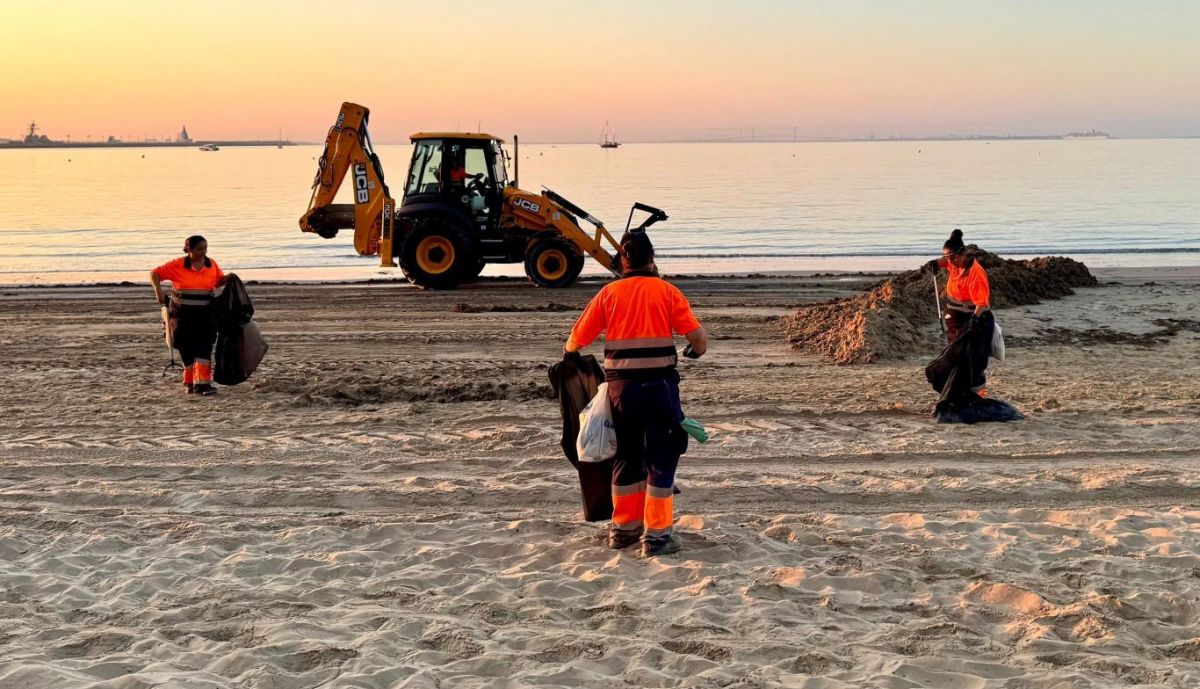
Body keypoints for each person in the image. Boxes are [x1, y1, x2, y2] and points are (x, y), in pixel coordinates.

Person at [564, 229, 708, 557]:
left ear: (623, 261)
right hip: (660, 389)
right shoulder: (667, 292)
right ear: (652, 259)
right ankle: (657, 537)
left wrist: (569, 353)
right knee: (662, 456)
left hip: (621, 392)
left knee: (626, 456)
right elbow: (698, 339)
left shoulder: (608, 293)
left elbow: (577, 338)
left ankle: (624, 530)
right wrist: (694, 351)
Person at [150, 235, 229, 395]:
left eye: (205, 248)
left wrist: (229, 279)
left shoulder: (211, 264)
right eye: (199, 249)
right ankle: (189, 382)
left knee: (205, 345)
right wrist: (158, 291)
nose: (203, 252)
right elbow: (154, 274)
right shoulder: (177, 264)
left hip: (205, 312)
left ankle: (202, 384)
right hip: (181, 313)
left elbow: (218, 281)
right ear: (189, 250)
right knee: (185, 346)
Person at [937, 228, 994, 392]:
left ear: (962, 253)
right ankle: (957, 390)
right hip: (954, 317)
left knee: (974, 358)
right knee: (954, 355)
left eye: (952, 257)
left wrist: (974, 320)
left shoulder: (976, 273)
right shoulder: (954, 264)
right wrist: (935, 263)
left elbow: (981, 303)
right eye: (947, 258)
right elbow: (945, 261)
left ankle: (977, 393)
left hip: (974, 317)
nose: (950, 261)